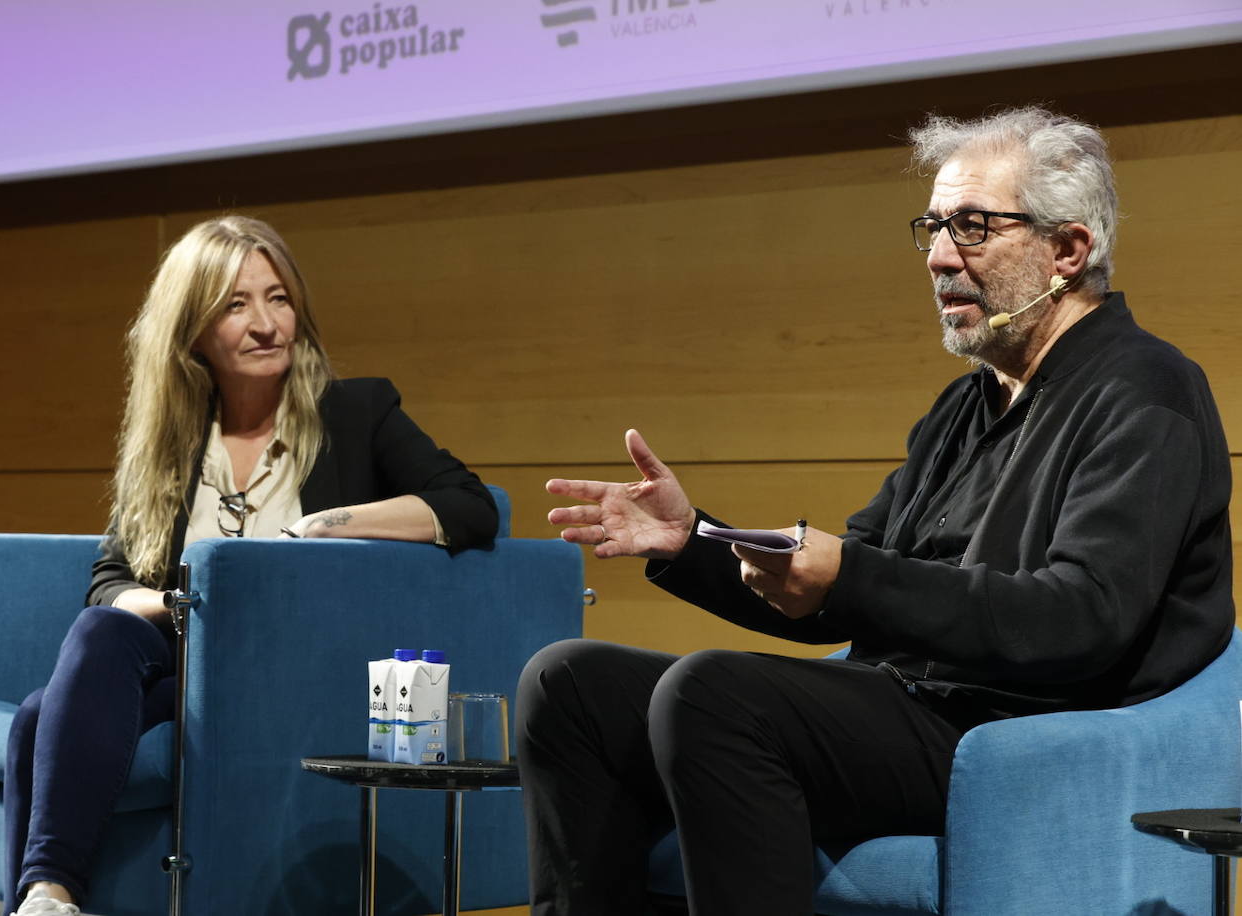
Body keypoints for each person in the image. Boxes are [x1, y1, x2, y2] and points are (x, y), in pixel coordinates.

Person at [518, 106, 1234, 915]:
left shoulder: (1145, 390)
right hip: (906, 706)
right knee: (568, 682)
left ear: (1067, 250)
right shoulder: (965, 408)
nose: (937, 257)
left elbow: (1084, 616)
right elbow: (838, 585)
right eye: (933, 226)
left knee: (712, 692)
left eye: (971, 227)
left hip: (1015, 730)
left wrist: (852, 578)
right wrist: (693, 539)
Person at [4, 216, 498, 916]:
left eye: (279, 298)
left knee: (36, 717)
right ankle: (46, 898)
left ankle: (48, 895)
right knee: (72, 670)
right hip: (186, 664)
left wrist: (328, 526)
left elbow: (471, 506)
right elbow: (108, 581)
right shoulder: (170, 442)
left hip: (294, 668)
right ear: (194, 330)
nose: (267, 324)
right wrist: (189, 604)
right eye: (237, 305)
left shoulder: (355, 413)